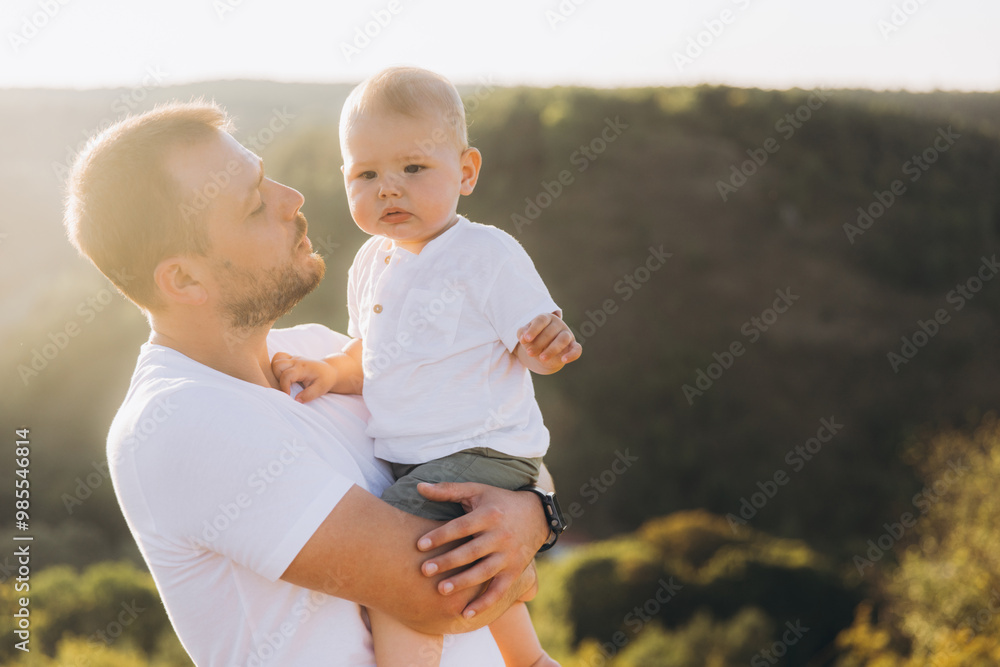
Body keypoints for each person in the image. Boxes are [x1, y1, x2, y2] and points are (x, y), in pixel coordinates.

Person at [63, 100, 564, 666]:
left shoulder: (325, 355)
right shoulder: (177, 422)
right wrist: (524, 531)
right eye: (255, 204)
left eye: (264, 175)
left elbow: (494, 454)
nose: (291, 199)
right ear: (183, 278)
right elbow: (445, 591)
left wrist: (533, 516)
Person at [269, 67, 580, 667]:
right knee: (471, 556)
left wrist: (546, 348)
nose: (389, 188)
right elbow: (374, 356)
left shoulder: (484, 254)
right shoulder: (370, 263)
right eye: (367, 174)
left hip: (484, 450)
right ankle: (530, 659)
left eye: (413, 168)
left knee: (405, 563)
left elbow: (534, 347)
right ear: (345, 179)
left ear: (465, 171)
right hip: (422, 458)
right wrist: (333, 373)